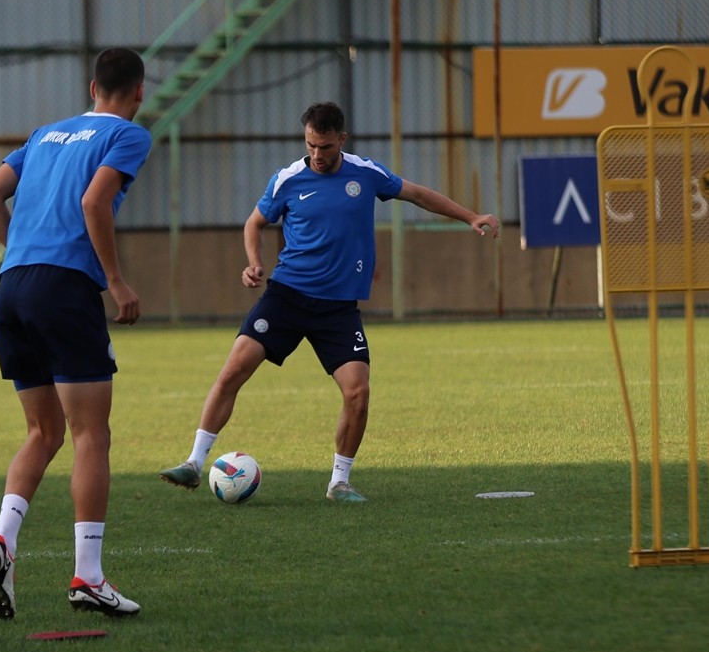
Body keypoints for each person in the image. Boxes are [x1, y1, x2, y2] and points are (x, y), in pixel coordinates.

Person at [159, 101, 500, 503]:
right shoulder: (288, 178)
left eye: (325, 147)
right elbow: (255, 222)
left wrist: (470, 216)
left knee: (358, 392)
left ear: (342, 139)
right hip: (286, 296)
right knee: (234, 368)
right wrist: (254, 262)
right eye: (310, 146)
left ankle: (339, 482)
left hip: (338, 308)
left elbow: (419, 195)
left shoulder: (366, 173)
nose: (317, 155)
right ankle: (195, 464)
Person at [0, 46, 152, 620]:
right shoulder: (127, 135)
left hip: (14, 286)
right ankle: (88, 577)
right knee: (89, 434)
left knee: (41, 431)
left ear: (91, 85)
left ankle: (2, 540)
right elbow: (95, 201)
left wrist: (22, 251)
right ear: (137, 92)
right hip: (66, 289)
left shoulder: (46, 133)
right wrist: (117, 282)